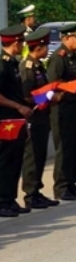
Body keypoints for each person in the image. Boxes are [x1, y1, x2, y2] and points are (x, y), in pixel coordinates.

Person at [47, 22, 76, 200]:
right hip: (63, 108)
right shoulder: (58, 57)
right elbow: (54, 83)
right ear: (67, 38)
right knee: (64, 148)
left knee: (75, 147)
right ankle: (61, 186)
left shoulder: (74, 57)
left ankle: (71, 182)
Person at [20, 27, 56, 209]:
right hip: (33, 116)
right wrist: (47, 96)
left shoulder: (39, 65)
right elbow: (27, 96)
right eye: (46, 46)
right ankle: (30, 193)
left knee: (40, 154)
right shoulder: (27, 67)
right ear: (38, 47)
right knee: (32, 156)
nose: (47, 50)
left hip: (43, 115)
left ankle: (36, 190)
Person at [0, 25, 30, 217]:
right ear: (16, 42)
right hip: (5, 119)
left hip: (16, 119)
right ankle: (2, 201)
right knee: (5, 160)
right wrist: (18, 107)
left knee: (15, 160)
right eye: (22, 42)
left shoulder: (12, 62)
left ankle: (10, 198)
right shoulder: (2, 64)